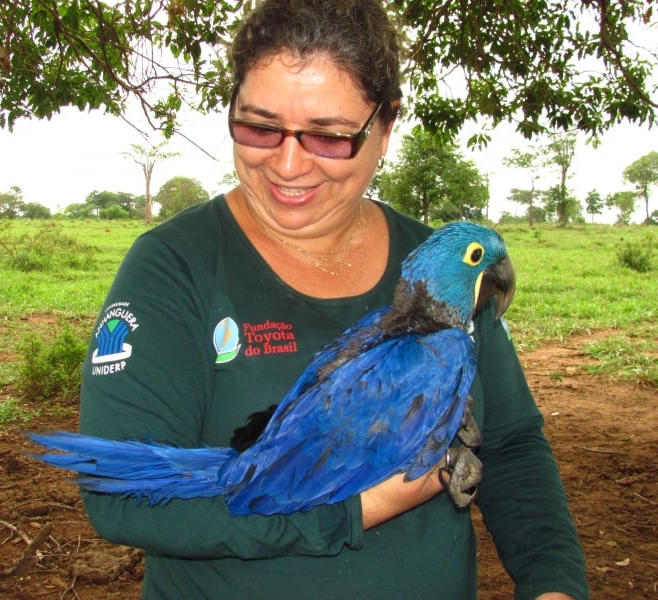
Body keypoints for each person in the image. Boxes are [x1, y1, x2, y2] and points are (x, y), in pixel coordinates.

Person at [77, 1, 589, 598]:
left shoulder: (445, 265)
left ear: (386, 127)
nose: (289, 164)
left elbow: (513, 445)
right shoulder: (174, 265)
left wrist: (554, 584)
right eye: (260, 125)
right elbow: (121, 498)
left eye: (330, 134)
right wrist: (355, 510)